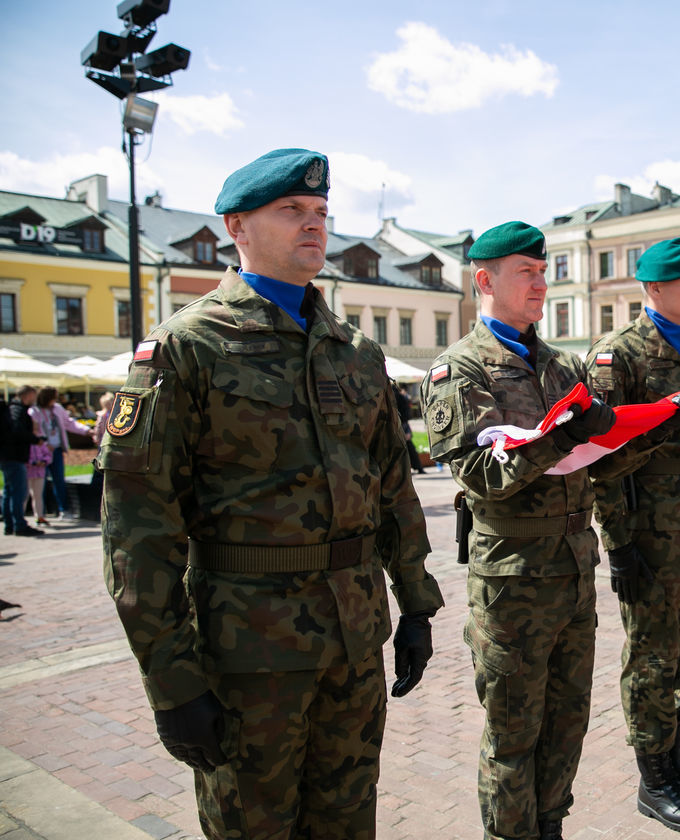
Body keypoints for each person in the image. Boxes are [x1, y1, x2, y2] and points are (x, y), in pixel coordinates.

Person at [99, 149, 443, 839]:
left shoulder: (357, 352)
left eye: (320, 213)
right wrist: (171, 683)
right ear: (237, 226)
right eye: (292, 210)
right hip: (248, 659)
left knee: (349, 824)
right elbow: (140, 531)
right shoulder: (187, 347)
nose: (313, 225)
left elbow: (392, 490)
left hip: (354, 645)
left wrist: (416, 605)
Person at [420, 221, 614, 840]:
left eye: (543, 268)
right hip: (513, 581)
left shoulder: (562, 365)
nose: (541, 281)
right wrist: (561, 436)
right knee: (513, 732)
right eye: (526, 271)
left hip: (574, 571)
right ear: (485, 280)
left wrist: (644, 430)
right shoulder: (459, 371)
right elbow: (480, 473)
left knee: (567, 721)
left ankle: (549, 825)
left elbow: (589, 461)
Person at [586, 236, 680, 834]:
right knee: (652, 654)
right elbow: (599, 457)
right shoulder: (617, 356)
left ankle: (678, 756)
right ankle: (654, 776)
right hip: (649, 532)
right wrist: (618, 543)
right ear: (654, 288)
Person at [31, 386, 93, 519]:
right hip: (42, 451)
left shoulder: (58, 409)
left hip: (57, 449)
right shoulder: (34, 411)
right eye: (55, 395)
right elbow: (34, 431)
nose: (57, 398)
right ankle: (41, 512)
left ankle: (63, 509)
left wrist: (86, 430)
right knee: (39, 481)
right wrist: (45, 445)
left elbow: (69, 423)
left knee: (59, 480)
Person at [2, 386, 45, 537]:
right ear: (28, 395)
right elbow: (17, 431)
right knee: (18, 492)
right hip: (14, 456)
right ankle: (19, 525)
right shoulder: (16, 410)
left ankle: (10, 525)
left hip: (8, 456)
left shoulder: (12, 409)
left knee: (9, 491)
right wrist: (35, 439)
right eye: (33, 395)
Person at [394, 382, 425, 473]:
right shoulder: (400, 396)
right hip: (404, 423)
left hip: (399, 424)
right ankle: (418, 467)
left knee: (404, 448)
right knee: (408, 447)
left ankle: (408, 469)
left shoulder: (394, 396)